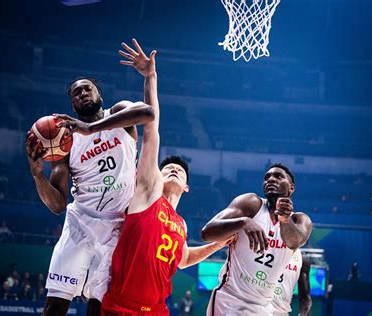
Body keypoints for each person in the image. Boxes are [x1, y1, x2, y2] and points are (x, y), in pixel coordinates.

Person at [101, 39, 235, 315]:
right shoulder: (148, 193)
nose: (173, 168)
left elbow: (184, 259)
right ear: (156, 176)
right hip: (122, 307)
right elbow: (151, 130)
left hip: (158, 310)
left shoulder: (181, 224)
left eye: (180, 171)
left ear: (187, 187)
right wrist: (151, 78)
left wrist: (219, 244)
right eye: (167, 168)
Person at [26, 48, 155, 316]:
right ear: (72, 106)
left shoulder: (118, 113)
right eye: (77, 93)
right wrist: (38, 174)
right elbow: (58, 205)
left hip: (118, 226)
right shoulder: (65, 143)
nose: (83, 94)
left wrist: (92, 128)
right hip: (80, 223)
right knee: (55, 304)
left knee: (100, 306)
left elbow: (148, 113)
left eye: (87, 89)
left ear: (99, 95)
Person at [202, 163, 313, 315]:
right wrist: (243, 222)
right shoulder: (251, 203)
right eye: (267, 177)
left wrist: (285, 220)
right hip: (231, 300)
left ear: (291, 188)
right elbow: (207, 233)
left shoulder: (300, 220)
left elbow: (295, 243)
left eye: (278, 176)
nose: (271, 179)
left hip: (264, 307)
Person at [270, 251, 312, 316]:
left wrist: (303, 314)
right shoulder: (264, 245)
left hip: (281, 312)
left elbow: (305, 298)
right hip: (256, 309)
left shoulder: (302, 258)